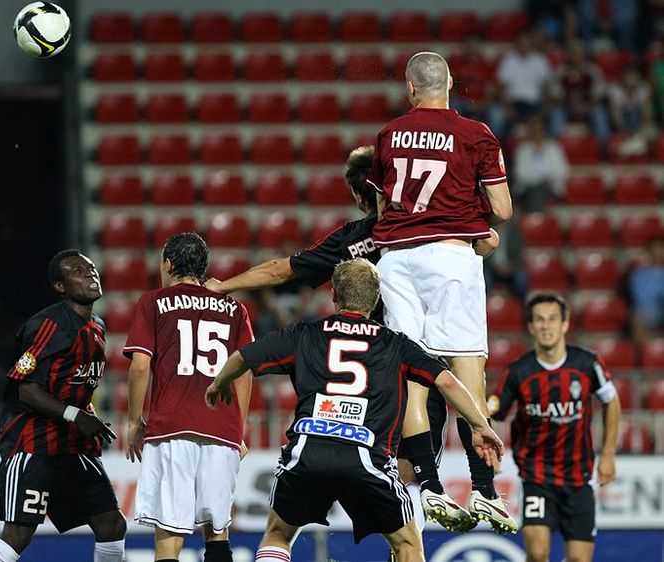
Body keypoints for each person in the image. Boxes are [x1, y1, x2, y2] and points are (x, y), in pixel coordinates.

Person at [206, 146, 500, 533]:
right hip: (423, 356)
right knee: (425, 446)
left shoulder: (353, 240)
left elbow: (281, 271)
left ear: (361, 197)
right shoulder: (429, 224)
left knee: (394, 474)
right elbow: (484, 242)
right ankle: (475, 491)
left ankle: (428, 491)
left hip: (375, 376)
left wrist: (224, 285)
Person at [205, 259, 505, 562]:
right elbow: (448, 382)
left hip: (309, 452)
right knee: (407, 544)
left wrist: (219, 383)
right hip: (367, 457)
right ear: (376, 300)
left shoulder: (305, 333)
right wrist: (480, 425)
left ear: (334, 294)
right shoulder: (396, 343)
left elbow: (242, 357)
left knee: (278, 534)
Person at [367, 50, 516, 533]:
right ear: (449, 82)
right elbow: (503, 208)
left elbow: (384, 203)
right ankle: (485, 492)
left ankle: (429, 487)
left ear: (410, 88)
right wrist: (470, 220)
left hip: (397, 261)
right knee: (468, 367)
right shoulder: (476, 134)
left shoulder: (388, 135)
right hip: (450, 258)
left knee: (412, 375)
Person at [0, 250, 126, 562]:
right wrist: (76, 416)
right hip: (33, 445)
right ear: (60, 286)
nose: (90, 273)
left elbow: (75, 386)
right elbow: (27, 390)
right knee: (19, 534)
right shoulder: (47, 325)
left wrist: (85, 417)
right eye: (77, 270)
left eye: (90, 267)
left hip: (73, 447)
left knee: (111, 523)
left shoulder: (98, 327)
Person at [124, 232, 254, 562]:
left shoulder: (153, 302)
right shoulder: (235, 308)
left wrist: (133, 421)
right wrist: (238, 430)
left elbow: (140, 366)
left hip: (171, 427)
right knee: (217, 528)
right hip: (221, 428)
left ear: (168, 264)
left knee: (169, 534)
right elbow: (245, 370)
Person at [488, 292, 621, 562]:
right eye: (539, 320)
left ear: (565, 324)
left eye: (552, 319)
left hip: (579, 477)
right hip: (537, 477)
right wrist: (490, 450)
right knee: (537, 555)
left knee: (580, 559)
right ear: (530, 326)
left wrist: (607, 455)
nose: (546, 326)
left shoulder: (587, 364)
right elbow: (491, 412)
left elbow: (612, 401)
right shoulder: (518, 371)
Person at [513, 116, 569, 212]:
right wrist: (538, 180)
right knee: (537, 190)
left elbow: (563, 171)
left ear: (544, 130)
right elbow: (520, 174)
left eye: (539, 129)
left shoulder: (553, 147)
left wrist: (548, 178)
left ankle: (533, 218)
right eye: (533, 129)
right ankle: (538, 217)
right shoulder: (523, 149)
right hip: (528, 187)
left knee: (540, 190)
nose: (536, 132)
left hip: (551, 187)